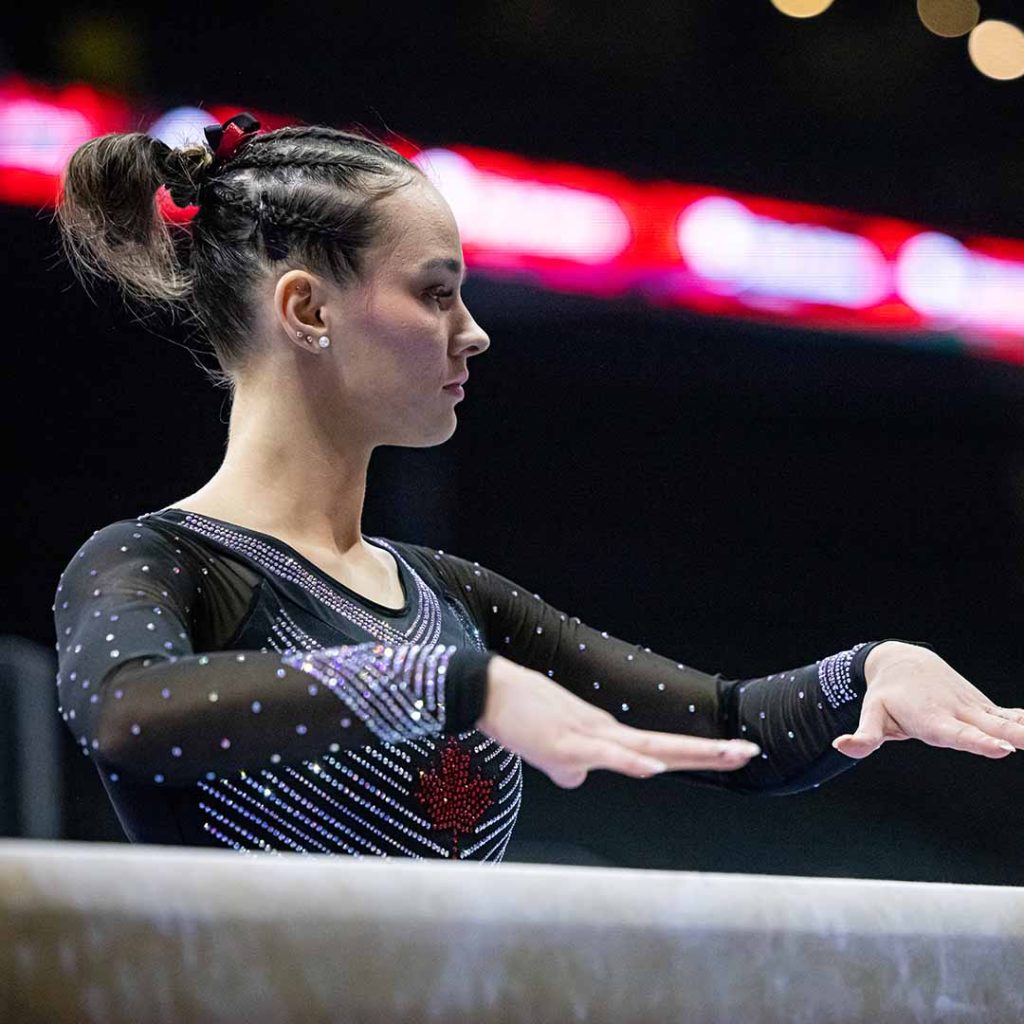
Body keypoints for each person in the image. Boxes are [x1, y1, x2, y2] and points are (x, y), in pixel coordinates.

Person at [52, 113, 1024, 861]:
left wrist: (871, 673)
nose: (473, 331)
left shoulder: (448, 601)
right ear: (306, 308)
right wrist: (449, 683)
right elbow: (127, 711)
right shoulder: (154, 564)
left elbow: (728, 725)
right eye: (437, 292)